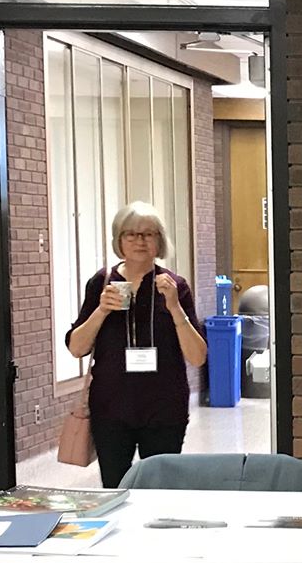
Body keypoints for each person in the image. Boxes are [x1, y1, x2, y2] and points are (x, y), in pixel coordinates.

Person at [64, 202, 207, 488]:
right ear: (119, 240)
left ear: (159, 240)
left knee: (161, 491)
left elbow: (198, 356)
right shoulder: (102, 282)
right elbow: (77, 348)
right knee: (115, 491)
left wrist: (175, 308)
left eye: (148, 234)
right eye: (131, 234)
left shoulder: (175, 285)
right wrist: (101, 310)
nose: (139, 241)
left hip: (164, 409)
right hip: (111, 408)